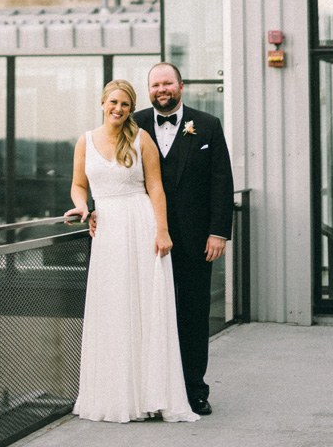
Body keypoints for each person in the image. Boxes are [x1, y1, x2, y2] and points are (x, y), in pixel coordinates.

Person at [65, 79, 199, 423]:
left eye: (125, 104)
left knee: (144, 308)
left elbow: (156, 186)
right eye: (113, 102)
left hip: (141, 228)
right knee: (112, 309)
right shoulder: (85, 141)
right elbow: (79, 185)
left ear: (130, 108)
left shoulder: (142, 140)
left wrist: (163, 231)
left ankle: (150, 396)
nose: (118, 109)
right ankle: (115, 395)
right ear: (102, 103)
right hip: (107, 231)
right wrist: (83, 208)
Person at [132, 62, 235, 415]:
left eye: (167, 83)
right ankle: (150, 393)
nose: (161, 89)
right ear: (148, 90)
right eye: (155, 84)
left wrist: (218, 231)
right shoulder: (135, 123)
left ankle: (194, 390)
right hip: (144, 239)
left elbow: (222, 182)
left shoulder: (207, 125)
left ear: (181, 85)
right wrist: (95, 209)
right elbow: (117, 169)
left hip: (195, 241)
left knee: (193, 314)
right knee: (148, 315)